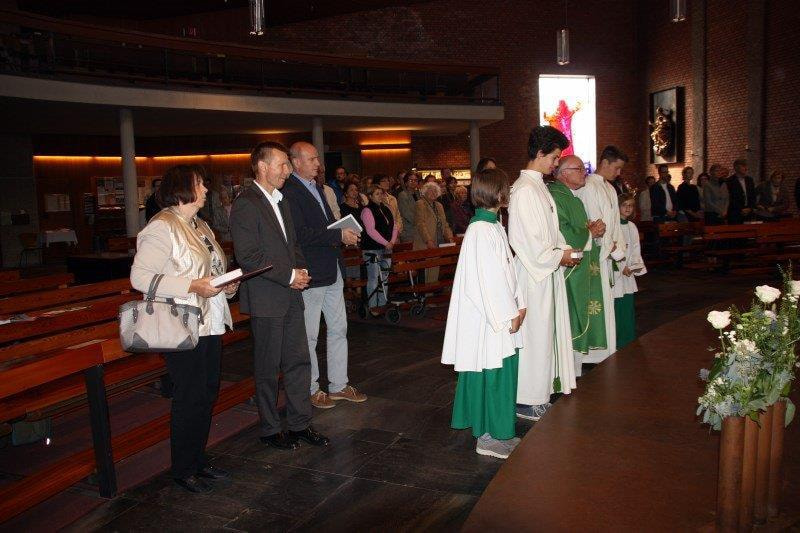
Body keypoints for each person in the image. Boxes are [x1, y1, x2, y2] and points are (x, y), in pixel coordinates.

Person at [131, 165, 239, 493]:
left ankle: (198, 460)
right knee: (189, 397)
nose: (205, 189)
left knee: (206, 394)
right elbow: (140, 277)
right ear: (182, 188)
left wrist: (227, 285)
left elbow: (212, 269)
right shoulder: (162, 226)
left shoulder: (200, 225)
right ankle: (183, 468)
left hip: (209, 321)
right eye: (200, 184)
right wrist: (192, 285)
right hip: (181, 324)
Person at [230, 142, 329, 454]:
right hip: (267, 297)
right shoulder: (246, 203)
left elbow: (293, 245)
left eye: (288, 164)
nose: (287, 171)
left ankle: (300, 423)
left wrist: (301, 270)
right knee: (268, 369)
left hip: (290, 295)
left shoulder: (281, 201)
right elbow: (249, 256)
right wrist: (288, 276)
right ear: (262, 167)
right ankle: (270, 429)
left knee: (299, 362)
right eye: (282, 164)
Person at [442, 168, 525, 459]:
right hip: (489, 320)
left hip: (498, 314)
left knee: (499, 373)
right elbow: (487, 281)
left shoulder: (494, 225)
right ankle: (487, 437)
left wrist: (520, 301)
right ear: (497, 193)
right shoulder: (480, 230)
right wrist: (507, 313)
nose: (509, 192)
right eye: (506, 187)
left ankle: (500, 432)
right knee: (492, 375)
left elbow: (507, 269)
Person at [283, 141, 367, 409]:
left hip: (332, 267)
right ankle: (311, 388)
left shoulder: (317, 188)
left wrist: (344, 231)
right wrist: (337, 235)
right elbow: (300, 234)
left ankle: (339, 385)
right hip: (311, 271)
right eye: (312, 159)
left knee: (339, 329)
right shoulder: (290, 191)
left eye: (317, 159)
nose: (318, 164)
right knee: (309, 335)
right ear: (296, 162)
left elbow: (327, 224)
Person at [509, 126, 578, 422]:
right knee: (534, 336)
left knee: (543, 334)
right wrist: (558, 256)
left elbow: (550, 232)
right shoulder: (524, 189)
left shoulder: (538, 186)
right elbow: (524, 239)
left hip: (544, 270)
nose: (556, 163)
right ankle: (526, 400)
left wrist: (565, 249)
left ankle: (539, 393)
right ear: (539, 153)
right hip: (532, 274)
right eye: (554, 157)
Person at [549, 155, 607, 378]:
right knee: (570, 317)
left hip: (580, 267)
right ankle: (565, 375)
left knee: (576, 315)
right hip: (568, 270)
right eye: (579, 169)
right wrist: (589, 233)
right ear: (564, 173)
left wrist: (590, 229)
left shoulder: (572, 198)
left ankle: (573, 373)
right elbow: (561, 232)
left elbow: (576, 228)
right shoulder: (556, 196)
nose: (585, 173)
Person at [575, 145, 628, 365]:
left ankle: (607, 350)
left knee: (607, 302)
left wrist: (619, 249)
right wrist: (612, 249)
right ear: (605, 162)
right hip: (595, 253)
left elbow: (614, 224)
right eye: (616, 168)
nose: (618, 173)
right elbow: (597, 224)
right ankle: (592, 353)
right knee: (597, 302)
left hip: (607, 252)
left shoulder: (609, 188)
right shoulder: (589, 187)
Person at [613, 193, 647, 349]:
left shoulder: (632, 226)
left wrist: (634, 265)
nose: (628, 208)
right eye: (624, 205)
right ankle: (617, 342)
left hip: (628, 273)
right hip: (616, 273)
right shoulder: (613, 225)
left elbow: (635, 248)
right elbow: (611, 248)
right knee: (617, 308)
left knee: (627, 308)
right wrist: (622, 267)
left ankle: (628, 340)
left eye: (631, 205)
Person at [360, 184, 398, 316]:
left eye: (381, 193)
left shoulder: (386, 208)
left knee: (385, 277)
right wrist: (386, 243)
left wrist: (392, 242)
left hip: (387, 248)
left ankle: (382, 304)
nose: (380, 196)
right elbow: (370, 231)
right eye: (377, 194)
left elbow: (394, 226)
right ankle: (373, 306)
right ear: (370, 196)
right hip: (372, 249)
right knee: (374, 278)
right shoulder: (367, 210)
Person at [414, 181, 455, 283]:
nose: (433, 193)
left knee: (434, 270)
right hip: (424, 242)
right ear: (424, 192)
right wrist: (428, 240)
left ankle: (431, 290)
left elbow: (445, 223)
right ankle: (424, 292)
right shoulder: (420, 204)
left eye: (435, 191)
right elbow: (420, 224)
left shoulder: (439, 205)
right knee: (425, 272)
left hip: (437, 240)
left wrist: (449, 237)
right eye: (430, 191)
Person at [726, 159, 757, 224]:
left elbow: (753, 196)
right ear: (736, 168)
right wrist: (740, 209)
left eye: (746, 166)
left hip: (748, 213)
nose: (746, 168)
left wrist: (750, 208)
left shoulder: (749, 180)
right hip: (735, 213)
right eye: (743, 166)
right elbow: (730, 198)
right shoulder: (729, 181)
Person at [397, 170, 420, 242]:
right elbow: (407, 214)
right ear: (406, 182)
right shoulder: (402, 195)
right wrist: (421, 222)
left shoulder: (419, 194)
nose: (413, 182)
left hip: (420, 229)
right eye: (411, 180)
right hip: (409, 231)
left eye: (415, 180)